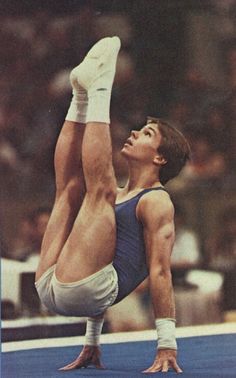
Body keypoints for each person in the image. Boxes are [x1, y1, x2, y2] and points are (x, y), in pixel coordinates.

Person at [35, 36, 190, 373]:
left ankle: (98, 88)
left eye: (147, 134)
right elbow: (99, 263)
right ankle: (80, 93)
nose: (135, 132)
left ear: (160, 158)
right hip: (53, 284)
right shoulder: (119, 195)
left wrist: (167, 342)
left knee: (97, 191)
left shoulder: (157, 201)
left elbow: (160, 271)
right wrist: (92, 340)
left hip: (84, 288)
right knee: (69, 189)